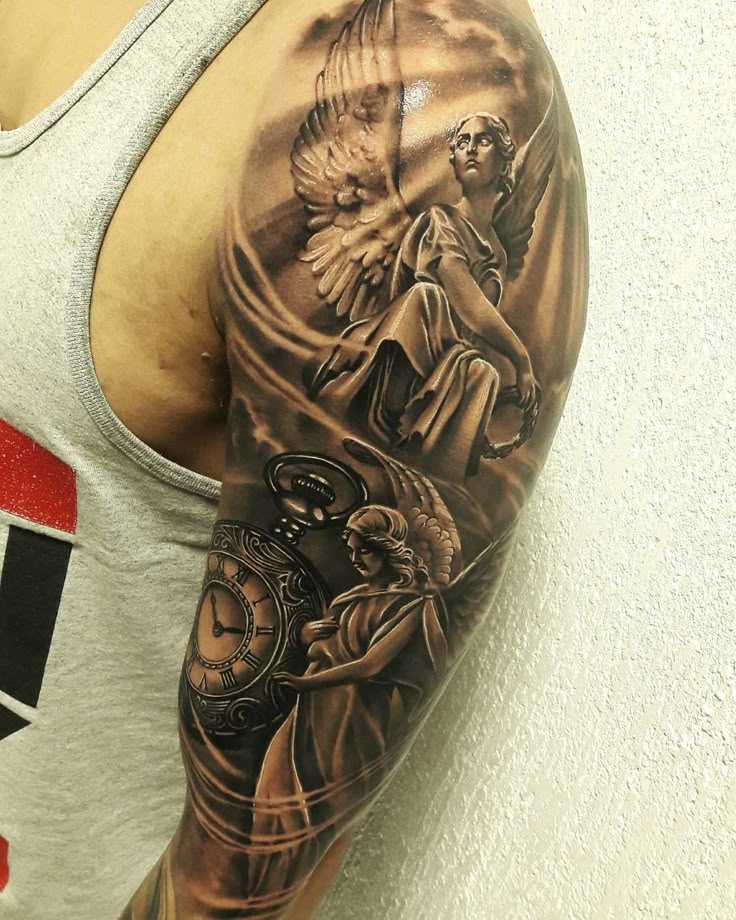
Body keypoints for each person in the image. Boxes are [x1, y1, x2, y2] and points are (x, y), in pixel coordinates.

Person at [0, 0, 587, 918]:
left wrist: (505, 358)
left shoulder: (431, 72)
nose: (468, 147)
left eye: (482, 146)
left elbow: (240, 882)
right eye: (466, 142)